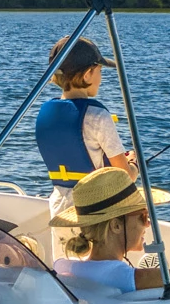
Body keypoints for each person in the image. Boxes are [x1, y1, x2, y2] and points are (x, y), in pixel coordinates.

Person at [34, 35, 138, 225]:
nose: (101, 77)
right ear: (87, 74)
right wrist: (133, 164)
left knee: (63, 255)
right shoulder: (97, 116)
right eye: (99, 70)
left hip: (59, 209)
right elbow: (124, 176)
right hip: (94, 211)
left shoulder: (44, 113)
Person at [51, 167, 170, 293]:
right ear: (116, 225)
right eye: (143, 216)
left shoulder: (62, 266)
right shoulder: (121, 275)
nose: (148, 223)